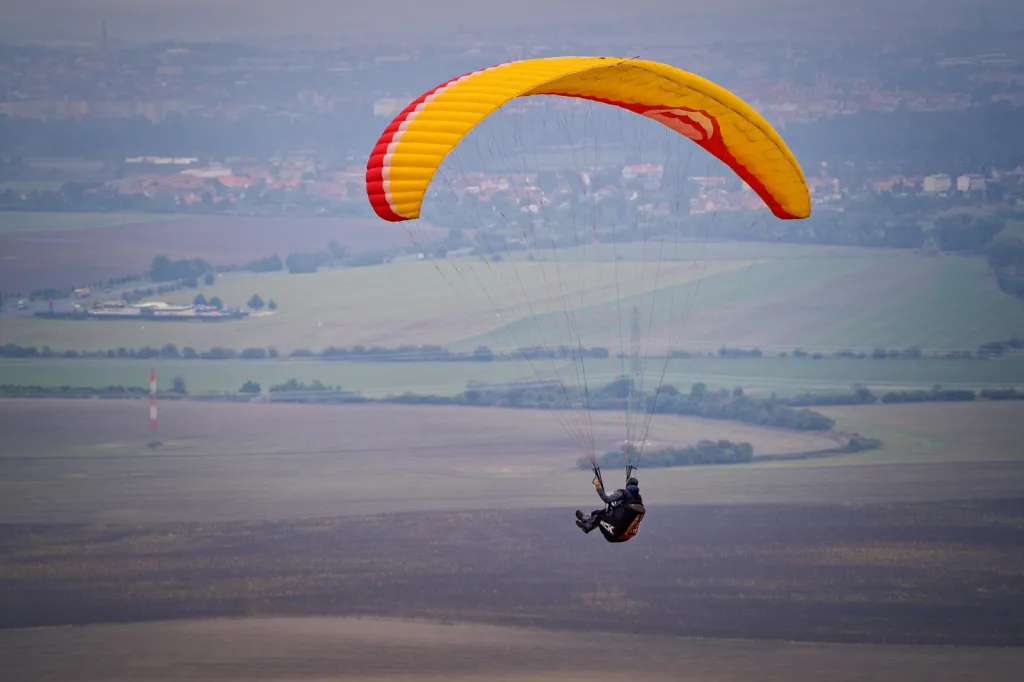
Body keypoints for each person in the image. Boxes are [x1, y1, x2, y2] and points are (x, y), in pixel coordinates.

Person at [575, 476, 645, 543]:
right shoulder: (638, 500)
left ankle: (587, 527)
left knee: (600, 516)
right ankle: (585, 519)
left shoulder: (623, 493)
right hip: (625, 537)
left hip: (614, 534)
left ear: (627, 485)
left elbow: (606, 499)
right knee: (600, 512)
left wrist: (598, 486)